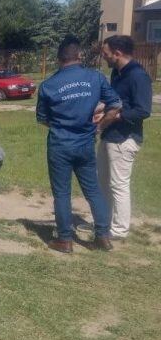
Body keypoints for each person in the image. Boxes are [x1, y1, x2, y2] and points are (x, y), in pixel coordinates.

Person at [36, 36, 121, 253]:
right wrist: (99, 127)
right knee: (93, 190)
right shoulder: (95, 78)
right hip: (85, 143)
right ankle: (103, 235)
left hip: (60, 144)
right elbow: (114, 105)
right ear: (79, 56)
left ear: (58, 59)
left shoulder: (48, 85)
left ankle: (65, 240)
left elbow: (43, 118)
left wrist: (62, 124)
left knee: (62, 193)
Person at [97, 35, 153, 240]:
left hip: (125, 138)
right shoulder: (117, 73)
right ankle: (104, 223)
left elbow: (143, 110)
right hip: (109, 135)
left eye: (106, 54)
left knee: (119, 184)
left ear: (117, 53)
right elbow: (113, 100)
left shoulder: (138, 76)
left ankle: (119, 230)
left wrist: (116, 116)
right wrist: (101, 111)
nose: (104, 57)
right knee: (103, 182)